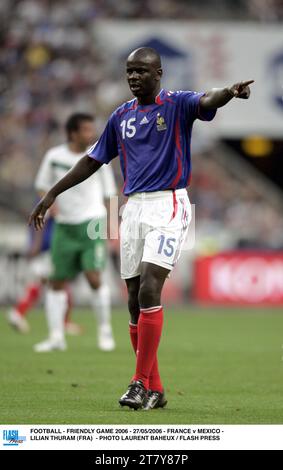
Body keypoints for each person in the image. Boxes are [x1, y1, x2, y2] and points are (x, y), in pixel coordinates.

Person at [29, 48, 253, 408]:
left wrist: (229, 91)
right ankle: (156, 388)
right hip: (131, 208)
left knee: (150, 289)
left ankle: (137, 382)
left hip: (170, 204)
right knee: (134, 302)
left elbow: (207, 99)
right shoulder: (121, 117)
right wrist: (51, 194)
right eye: (129, 71)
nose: (133, 77)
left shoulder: (177, 104)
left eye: (141, 71)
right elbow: (91, 161)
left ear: (159, 73)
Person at [33, 112, 117, 352]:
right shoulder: (54, 157)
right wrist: (54, 209)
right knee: (56, 281)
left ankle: (104, 331)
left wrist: (112, 229)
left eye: (92, 129)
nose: (91, 134)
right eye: (86, 130)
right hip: (64, 226)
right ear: (72, 133)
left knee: (94, 278)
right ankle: (56, 337)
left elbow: (110, 194)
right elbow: (41, 186)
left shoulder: (99, 155)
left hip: (92, 223)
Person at [7, 213, 81, 335]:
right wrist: (36, 246)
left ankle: (19, 313)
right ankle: (64, 323)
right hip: (47, 250)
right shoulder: (49, 203)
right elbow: (41, 224)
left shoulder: (44, 202)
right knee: (59, 283)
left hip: (46, 249)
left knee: (46, 282)